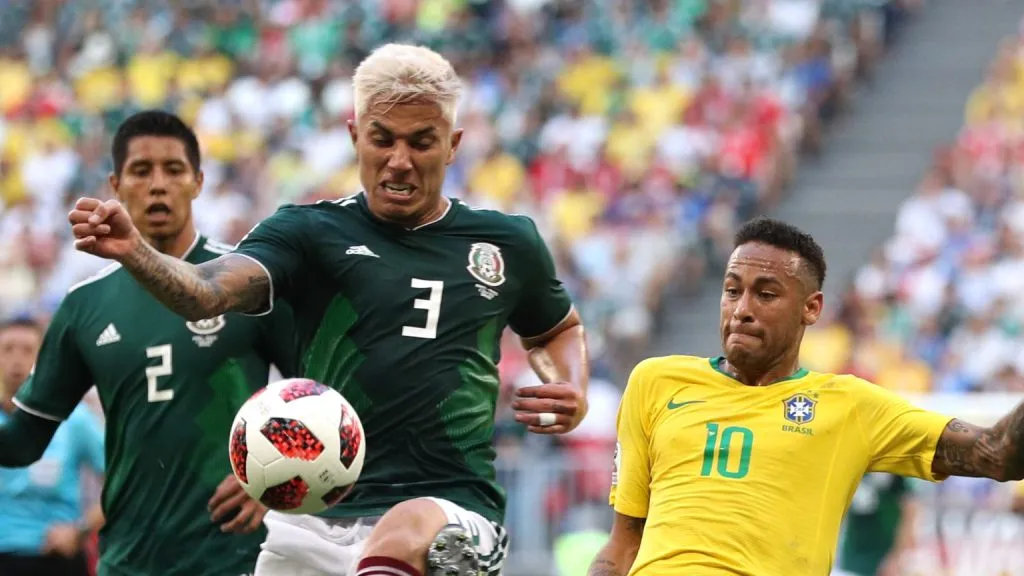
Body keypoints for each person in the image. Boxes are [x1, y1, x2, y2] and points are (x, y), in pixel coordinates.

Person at [67, 43, 590, 576]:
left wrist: (571, 385)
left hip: (447, 510)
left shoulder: (505, 243)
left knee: (404, 532)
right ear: (354, 136)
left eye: (422, 142)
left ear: (452, 145)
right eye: (382, 139)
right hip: (313, 516)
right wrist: (137, 252)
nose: (399, 160)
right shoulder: (309, 233)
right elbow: (206, 291)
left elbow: (557, 329)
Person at [590, 216, 1024, 576]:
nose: (741, 308)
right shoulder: (655, 381)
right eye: (731, 289)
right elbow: (624, 543)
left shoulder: (851, 405)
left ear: (811, 308)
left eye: (765, 293)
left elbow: (997, 453)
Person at [0, 111, 299, 576]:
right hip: (127, 561)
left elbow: (329, 389)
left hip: (236, 560)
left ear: (198, 182)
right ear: (116, 185)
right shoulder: (85, 305)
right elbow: (21, 443)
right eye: (142, 171)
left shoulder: (248, 282)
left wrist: (277, 468)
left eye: (173, 169)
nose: (158, 184)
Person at [0, 315, 104, 576]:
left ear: (43, 358)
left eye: (27, 350)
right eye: (7, 349)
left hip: (53, 557)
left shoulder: (74, 419)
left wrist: (80, 531)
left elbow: (123, 479)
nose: (16, 359)